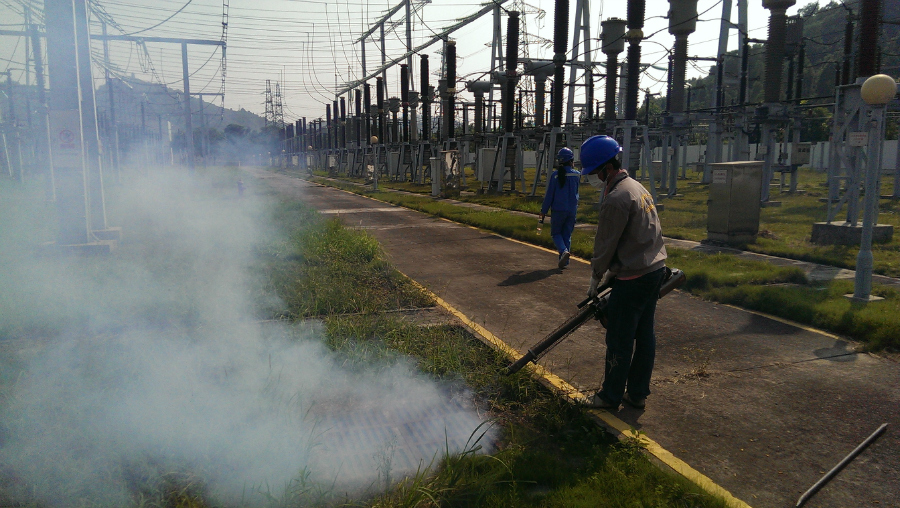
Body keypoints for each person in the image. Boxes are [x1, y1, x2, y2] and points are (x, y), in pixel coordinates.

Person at [579, 135, 667, 411]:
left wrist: (596, 276)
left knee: (619, 337)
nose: (592, 178)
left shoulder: (616, 198)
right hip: (653, 270)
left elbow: (606, 243)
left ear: (606, 168)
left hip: (634, 278)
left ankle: (609, 396)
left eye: (593, 173)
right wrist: (614, 272)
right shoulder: (636, 187)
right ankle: (637, 393)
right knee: (644, 336)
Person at [540, 147, 581, 269]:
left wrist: (543, 211)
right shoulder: (576, 175)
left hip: (558, 210)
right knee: (567, 235)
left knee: (556, 233)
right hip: (572, 210)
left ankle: (563, 251)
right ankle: (564, 262)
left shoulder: (555, 176)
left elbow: (549, 195)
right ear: (571, 160)